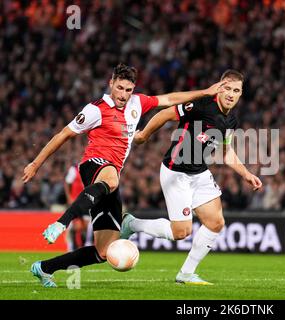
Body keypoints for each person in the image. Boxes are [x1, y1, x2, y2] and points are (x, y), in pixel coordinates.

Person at [22, 63, 226, 287]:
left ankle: (43, 268)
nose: (123, 95)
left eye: (128, 90)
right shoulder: (95, 109)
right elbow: (63, 134)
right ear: (111, 83)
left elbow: (169, 99)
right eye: (119, 88)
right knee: (110, 179)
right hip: (94, 164)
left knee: (103, 251)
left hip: (111, 177)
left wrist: (205, 92)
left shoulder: (137, 102)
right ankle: (62, 223)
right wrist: (35, 163)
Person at [120, 70, 262, 285]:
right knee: (181, 232)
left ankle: (186, 274)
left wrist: (246, 173)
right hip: (176, 171)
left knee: (215, 222)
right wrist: (143, 136)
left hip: (199, 172)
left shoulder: (231, 120)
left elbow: (226, 151)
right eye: (227, 88)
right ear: (219, 87)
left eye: (236, 90)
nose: (231, 94)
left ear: (241, 94)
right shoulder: (202, 104)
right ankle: (132, 224)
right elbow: (165, 114)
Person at [64, 164, 91, 252]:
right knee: (74, 225)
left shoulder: (92, 169)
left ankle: (87, 244)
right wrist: (69, 197)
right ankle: (71, 246)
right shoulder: (74, 169)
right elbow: (67, 183)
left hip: (86, 202)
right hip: (75, 201)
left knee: (87, 224)